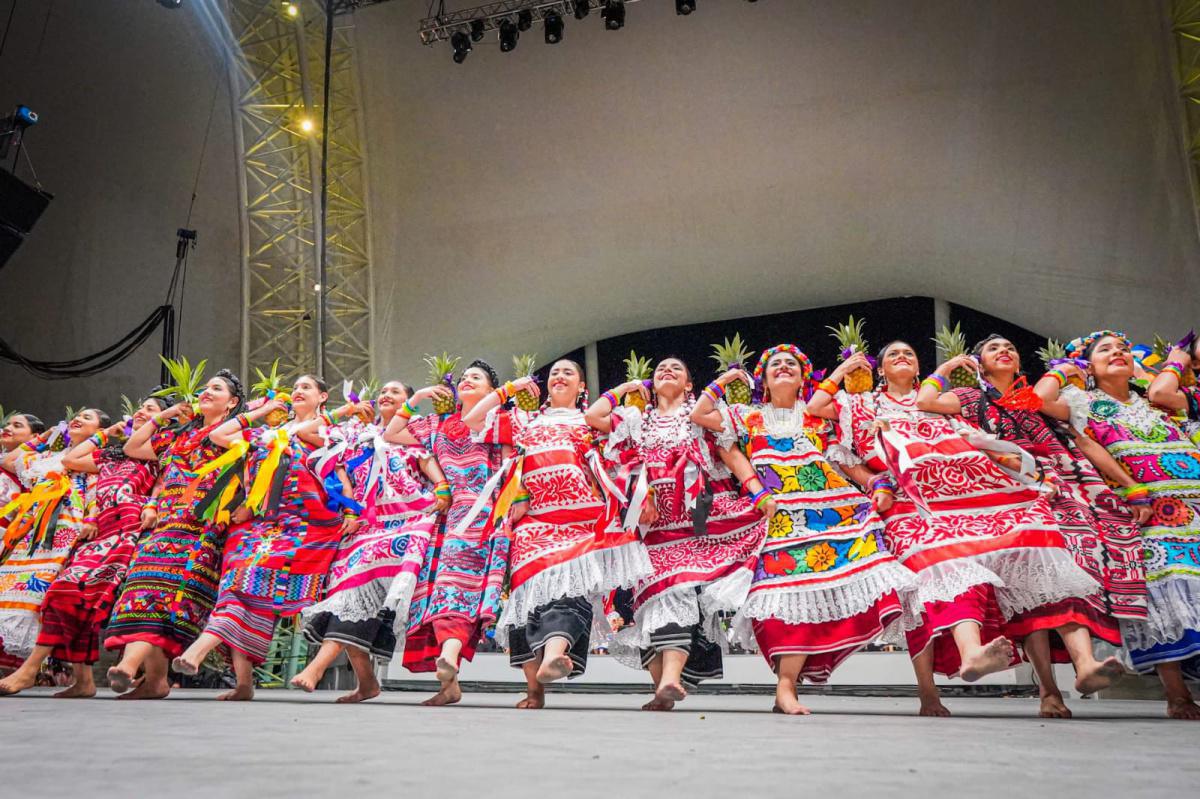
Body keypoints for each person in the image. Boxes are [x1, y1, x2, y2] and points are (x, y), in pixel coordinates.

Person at [908, 336, 1138, 717]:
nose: (1005, 351)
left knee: (1064, 578)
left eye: (1010, 348)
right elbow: (925, 401)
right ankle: (1048, 689)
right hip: (1007, 491)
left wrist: (1131, 488)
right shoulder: (969, 398)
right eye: (993, 348)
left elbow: (1082, 441)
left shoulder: (1035, 402)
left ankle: (1085, 665)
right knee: (1032, 585)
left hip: (1061, 489)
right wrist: (948, 368)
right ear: (979, 364)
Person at [692, 344, 917, 715]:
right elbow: (703, 416)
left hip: (830, 513)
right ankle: (785, 687)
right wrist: (727, 380)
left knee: (837, 587)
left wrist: (877, 484)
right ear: (763, 381)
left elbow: (844, 462)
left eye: (791, 364)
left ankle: (788, 687)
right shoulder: (747, 415)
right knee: (784, 601)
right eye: (775, 364)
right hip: (777, 516)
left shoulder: (819, 417)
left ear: (803, 378)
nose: (783, 367)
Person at [463, 359, 652, 709]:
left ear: (582, 387)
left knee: (569, 594)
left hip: (582, 525)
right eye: (554, 373)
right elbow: (473, 419)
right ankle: (534, 690)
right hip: (534, 523)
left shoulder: (590, 422)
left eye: (568, 373)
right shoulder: (524, 419)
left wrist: (624, 390)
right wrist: (509, 389)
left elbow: (628, 457)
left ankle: (554, 655)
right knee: (526, 600)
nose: (559, 377)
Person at [587, 356, 768, 710]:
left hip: (698, 526)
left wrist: (758, 493)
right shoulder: (636, 420)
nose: (667, 371)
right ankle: (663, 688)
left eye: (676, 369)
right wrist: (628, 388)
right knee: (648, 605)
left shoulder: (699, 417)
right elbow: (593, 417)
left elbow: (730, 454)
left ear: (689, 385)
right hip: (651, 530)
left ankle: (670, 679)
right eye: (660, 370)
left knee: (677, 595)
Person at [170, 375, 348, 701]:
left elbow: (337, 469)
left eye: (306, 388)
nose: (297, 391)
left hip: (305, 527)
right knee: (236, 586)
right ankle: (243, 683)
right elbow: (219, 435)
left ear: (323, 397)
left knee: (245, 582)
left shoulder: (328, 431)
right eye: (294, 388)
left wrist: (350, 512)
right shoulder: (267, 433)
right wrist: (262, 410)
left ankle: (200, 651)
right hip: (260, 527)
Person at [1052, 330, 1200, 719]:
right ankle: (1177, 694)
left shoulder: (1154, 401)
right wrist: (1132, 488)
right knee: (1164, 586)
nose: (1117, 352)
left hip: (1193, 501)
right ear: (1088, 365)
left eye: (1123, 349)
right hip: (1148, 507)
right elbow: (1045, 409)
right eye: (1105, 350)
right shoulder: (1082, 402)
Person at [0, 397, 167, 697]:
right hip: (100, 531)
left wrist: (153, 505)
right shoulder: (112, 454)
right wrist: (104, 434)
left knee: (77, 595)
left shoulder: (162, 451)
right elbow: (70, 460)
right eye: (141, 409)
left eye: (150, 410)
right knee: (64, 595)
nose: (142, 412)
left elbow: (165, 482)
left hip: (129, 531)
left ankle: (30, 670)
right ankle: (84, 680)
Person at [295, 380, 449, 703]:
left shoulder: (413, 430)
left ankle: (317, 669)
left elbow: (426, 459)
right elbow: (306, 432)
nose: (386, 396)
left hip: (405, 524)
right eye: (383, 392)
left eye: (395, 392)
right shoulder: (356, 432)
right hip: (364, 528)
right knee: (348, 597)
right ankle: (366, 682)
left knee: (353, 595)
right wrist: (347, 410)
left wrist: (441, 486)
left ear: (409, 401)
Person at [103, 370, 246, 700]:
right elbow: (133, 446)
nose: (206, 392)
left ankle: (129, 665)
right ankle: (155, 681)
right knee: (142, 591)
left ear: (232, 403)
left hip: (200, 529)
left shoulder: (234, 435)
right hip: (164, 525)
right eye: (205, 388)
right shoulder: (179, 436)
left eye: (216, 389)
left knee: (167, 598)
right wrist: (164, 415)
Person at [383, 359, 510, 706]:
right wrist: (418, 397)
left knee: (454, 587)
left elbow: (511, 467)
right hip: (444, 517)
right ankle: (449, 682)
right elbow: (391, 433)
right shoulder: (438, 423)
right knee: (436, 591)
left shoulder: (499, 421)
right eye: (464, 377)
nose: (467, 380)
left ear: (491, 390)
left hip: (481, 513)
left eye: (477, 378)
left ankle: (450, 657)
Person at [0, 409, 106, 669]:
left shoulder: (97, 458)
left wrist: (92, 518)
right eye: (77, 416)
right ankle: (15, 663)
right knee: (10, 588)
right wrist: (47, 435)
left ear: (100, 431)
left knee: (44, 594)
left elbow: (97, 492)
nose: (78, 419)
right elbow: (10, 460)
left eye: (87, 418)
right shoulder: (48, 457)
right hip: (32, 530)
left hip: (68, 529)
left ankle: (37, 665)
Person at [0, 413, 45, 508]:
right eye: (7, 425)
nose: (7, 428)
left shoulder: (34, 461)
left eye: (17, 426)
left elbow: (5, 462)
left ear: (35, 437)